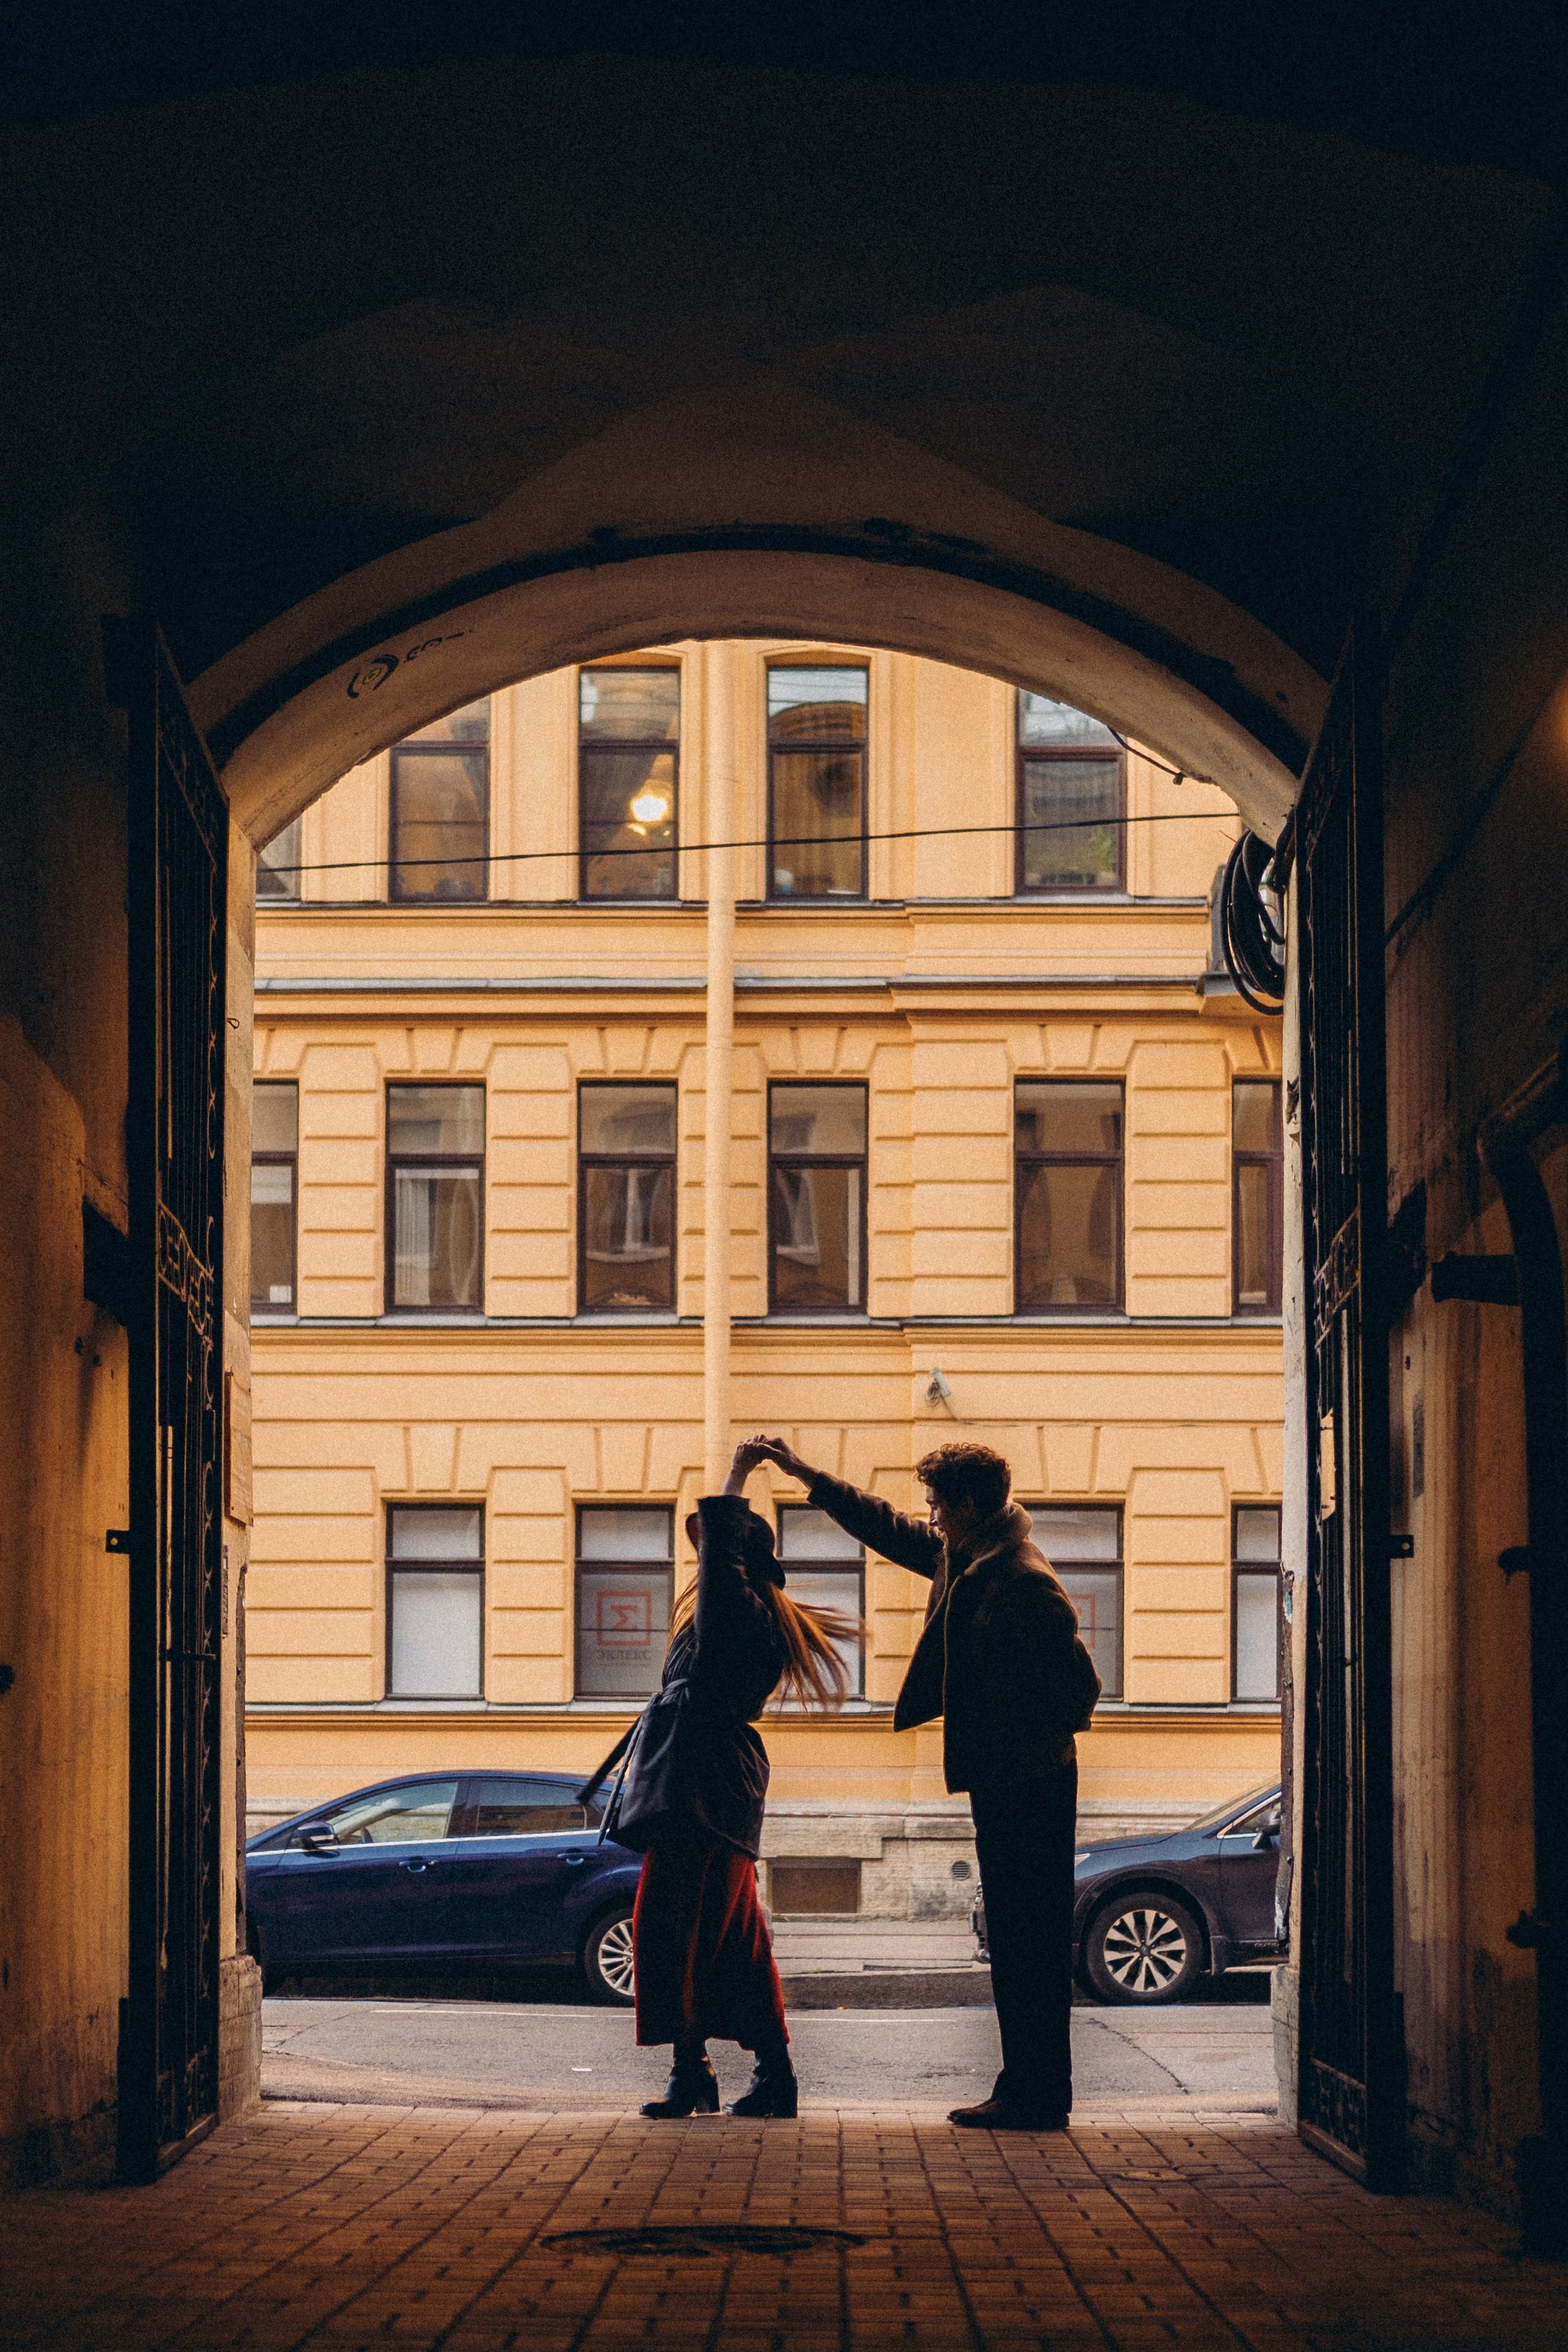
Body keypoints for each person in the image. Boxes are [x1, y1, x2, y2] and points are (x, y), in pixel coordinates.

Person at [754, 1434, 1099, 2130]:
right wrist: (805, 1474)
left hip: (1028, 1783)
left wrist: (1011, 1739)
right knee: (1016, 1939)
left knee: (1027, 1942)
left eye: (939, 1505)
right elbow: (885, 1526)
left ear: (969, 1506)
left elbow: (1079, 1690)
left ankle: (1035, 2095)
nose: (932, 1517)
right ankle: (1030, 2089)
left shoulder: (1021, 1580)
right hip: (1007, 1778)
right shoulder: (968, 1555)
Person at [580, 1438, 858, 2120]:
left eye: (711, 1547)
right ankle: (763, 2076)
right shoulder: (742, 1619)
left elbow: (720, 1570)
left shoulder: (736, 1613)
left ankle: (697, 2074)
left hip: (700, 1791)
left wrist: (737, 1475)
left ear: (734, 1560)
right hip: (710, 1790)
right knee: (732, 1937)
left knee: (670, 1931)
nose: (699, 1557)